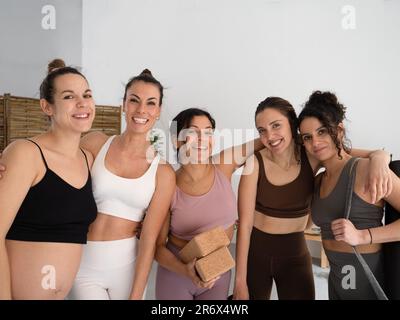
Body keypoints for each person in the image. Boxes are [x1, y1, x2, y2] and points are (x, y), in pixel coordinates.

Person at [234, 97, 392, 300]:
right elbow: (245, 226)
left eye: (276, 126)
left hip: (295, 254)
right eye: (262, 130)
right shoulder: (253, 164)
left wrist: (380, 157)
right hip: (256, 253)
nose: (269, 136)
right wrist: (239, 282)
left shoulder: (313, 153)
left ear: (292, 125)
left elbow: (348, 152)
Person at [67, 69, 175, 300]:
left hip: (127, 269)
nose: (141, 110)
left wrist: (136, 295)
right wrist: (18, 163)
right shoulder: (95, 143)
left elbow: (149, 239)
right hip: (83, 263)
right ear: (124, 104)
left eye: (150, 103)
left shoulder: (163, 172)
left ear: (158, 111)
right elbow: (57, 166)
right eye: (134, 100)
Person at [0, 59, 97, 299]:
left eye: (87, 94)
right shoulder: (26, 153)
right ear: (47, 107)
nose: (82, 103)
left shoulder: (89, 159)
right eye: (68, 97)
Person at [298, 90, 400, 299]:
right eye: (308, 137)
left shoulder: (365, 169)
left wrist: (363, 236)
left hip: (366, 281)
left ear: (339, 130)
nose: (315, 142)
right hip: (336, 281)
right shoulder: (318, 180)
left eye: (322, 131)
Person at [155, 108, 264, 300]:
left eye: (208, 133)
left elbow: (264, 141)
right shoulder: (168, 184)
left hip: (218, 271)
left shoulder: (223, 164)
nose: (202, 139)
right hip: (177, 274)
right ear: (176, 140)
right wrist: (185, 271)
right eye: (193, 132)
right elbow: (157, 247)